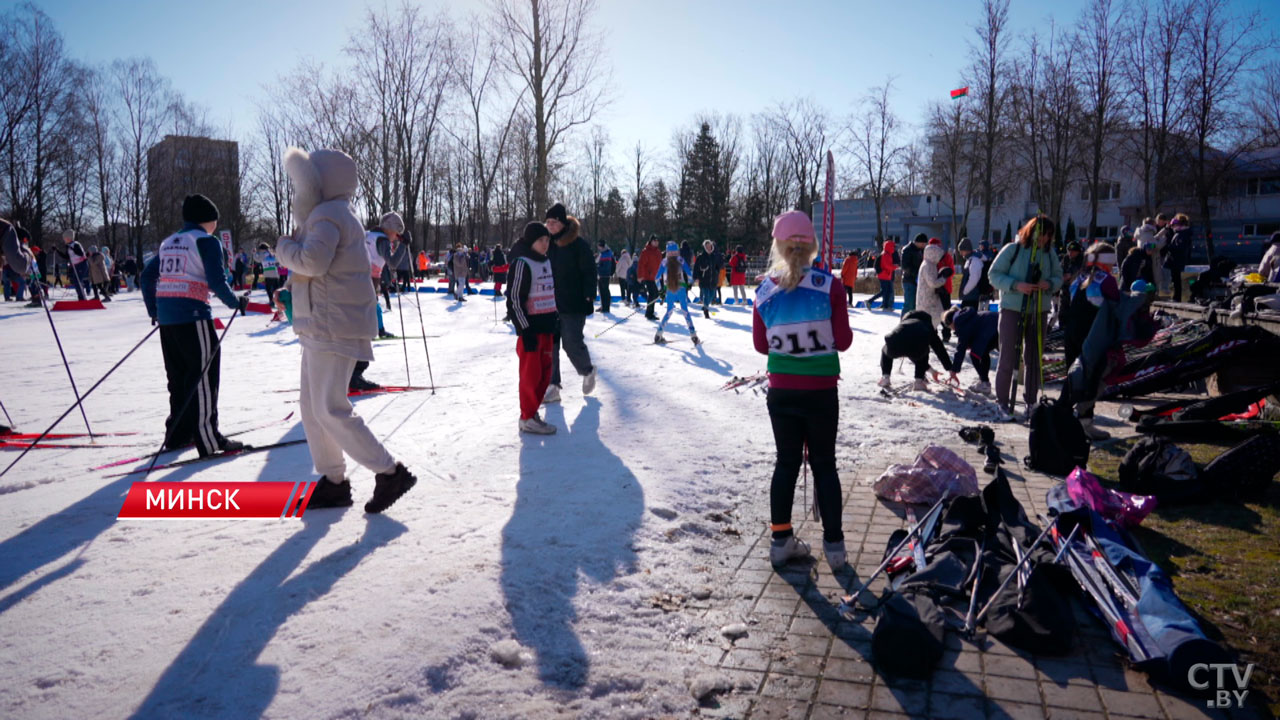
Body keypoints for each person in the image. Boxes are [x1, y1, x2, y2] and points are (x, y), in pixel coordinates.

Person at [276, 147, 417, 514]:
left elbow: (312, 261)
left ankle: (391, 472)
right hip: (322, 320)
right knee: (312, 407)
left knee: (329, 407)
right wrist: (291, 289)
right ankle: (334, 481)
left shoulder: (327, 215)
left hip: (331, 323)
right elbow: (320, 268)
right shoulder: (333, 215)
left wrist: (282, 247)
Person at [753, 210, 853, 569]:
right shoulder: (830, 285)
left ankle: (781, 540)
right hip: (821, 389)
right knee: (825, 464)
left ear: (778, 246)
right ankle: (835, 547)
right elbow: (843, 341)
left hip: (782, 389)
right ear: (811, 245)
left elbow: (762, 347)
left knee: (786, 464)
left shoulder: (764, 290)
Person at [141, 194, 250, 457]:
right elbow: (217, 280)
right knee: (203, 377)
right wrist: (236, 302)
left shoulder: (169, 242)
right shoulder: (206, 241)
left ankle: (179, 434)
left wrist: (154, 311)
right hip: (194, 317)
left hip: (168, 321)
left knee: (178, 379)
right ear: (209, 220)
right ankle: (208, 439)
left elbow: (146, 276)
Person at [988, 215, 1064, 418]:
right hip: (1013, 308)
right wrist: (1016, 285)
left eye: (1048, 236)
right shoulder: (1012, 250)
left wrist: (1050, 283)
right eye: (1042, 234)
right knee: (1007, 356)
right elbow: (994, 274)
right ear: (1032, 231)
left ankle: (1031, 401)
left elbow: (1058, 276)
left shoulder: (1049, 254)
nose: (1045, 239)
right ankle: (1002, 401)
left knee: (1033, 358)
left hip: (1039, 310)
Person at [1061, 242, 1121, 440]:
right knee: (1091, 377)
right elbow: (1116, 304)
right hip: (1092, 335)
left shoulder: (1079, 277)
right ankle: (1083, 422)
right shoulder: (1107, 281)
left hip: (1071, 332)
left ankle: (1064, 416)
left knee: (1072, 374)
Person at [507, 222, 559, 434]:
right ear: (531, 241)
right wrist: (524, 329)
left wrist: (555, 321)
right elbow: (514, 300)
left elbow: (549, 292)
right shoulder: (522, 263)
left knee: (545, 376)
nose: (545, 244)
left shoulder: (546, 261)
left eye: (547, 240)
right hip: (531, 330)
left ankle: (533, 412)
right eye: (540, 240)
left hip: (547, 328)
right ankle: (527, 417)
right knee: (531, 376)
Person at [543, 203, 597, 403]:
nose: (550, 226)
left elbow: (590, 271)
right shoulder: (545, 243)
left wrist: (589, 295)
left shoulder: (577, 244)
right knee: (551, 346)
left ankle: (588, 370)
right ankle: (553, 386)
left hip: (573, 302)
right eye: (547, 222)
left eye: (554, 222)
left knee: (571, 342)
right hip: (549, 303)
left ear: (563, 223)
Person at [877, 310, 956, 392]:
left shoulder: (903, 323)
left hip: (895, 342)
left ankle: (885, 377)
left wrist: (932, 371)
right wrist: (950, 369)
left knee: (885, 350)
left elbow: (907, 348)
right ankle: (919, 381)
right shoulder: (927, 326)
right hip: (917, 348)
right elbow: (939, 349)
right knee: (922, 349)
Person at [943, 306, 998, 395]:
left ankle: (985, 383)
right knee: (983, 352)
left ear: (951, 322)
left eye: (951, 328)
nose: (953, 330)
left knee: (974, 355)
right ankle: (984, 381)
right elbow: (974, 329)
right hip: (998, 323)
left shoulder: (960, 322)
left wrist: (954, 370)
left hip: (990, 328)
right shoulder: (965, 316)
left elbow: (960, 349)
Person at [654, 242, 699, 344]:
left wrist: (660, 290)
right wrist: (690, 284)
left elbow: (656, 278)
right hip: (681, 288)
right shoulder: (681, 260)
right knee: (685, 311)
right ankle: (693, 335)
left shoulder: (664, 262)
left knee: (669, 311)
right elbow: (689, 274)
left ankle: (658, 334)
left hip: (669, 289)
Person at [916, 239, 949, 328]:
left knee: (935, 317)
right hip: (927, 299)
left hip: (928, 297)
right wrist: (943, 278)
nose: (939, 258)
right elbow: (932, 283)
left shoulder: (929, 264)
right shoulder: (928, 266)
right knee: (930, 320)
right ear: (933, 254)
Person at [1164, 213, 1192, 303]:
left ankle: (1177, 297)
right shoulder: (1180, 233)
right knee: (1175, 278)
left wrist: (1169, 247)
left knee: (1176, 279)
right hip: (1176, 259)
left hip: (1177, 259)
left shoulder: (1183, 234)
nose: (1173, 227)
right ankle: (1176, 296)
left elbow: (1180, 247)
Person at [693, 239, 721, 319]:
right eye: (707, 246)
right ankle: (706, 310)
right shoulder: (700, 257)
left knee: (712, 296)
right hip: (704, 279)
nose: (709, 248)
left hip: (713, 280)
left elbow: (718, 267)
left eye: (710, 246)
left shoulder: (714, 256)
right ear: (704, 247)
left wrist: (716, 273)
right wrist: (696, 277)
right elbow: (696, 268)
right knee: (706, 295)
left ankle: (705, 305)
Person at [868, 238, 898, 311]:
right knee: (885, 291)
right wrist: (894, 267)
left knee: (888, 291)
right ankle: (870, 301)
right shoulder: (886, 254)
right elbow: (887, 265)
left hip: (887, 275)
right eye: (892, 246)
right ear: (889, 246)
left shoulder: (887, 253)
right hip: (884, 275)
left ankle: (885, 306)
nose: (894, 248)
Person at [637, 235, 663, 320]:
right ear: (650, 241)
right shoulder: (646, 251)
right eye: (654, 240)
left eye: (657, 240)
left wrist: (661, 275)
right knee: (652, 294)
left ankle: (650, 312)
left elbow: (661, 265)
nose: (656, 242)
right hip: (648, 277)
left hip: (656, 277)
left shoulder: (658, 252)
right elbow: (641, 264)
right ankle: (649, 313)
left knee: (655, 295)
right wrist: (640, 276)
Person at [900, 233, 927, 314]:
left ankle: (912, 323)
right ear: (917, 242)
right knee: (909, 305)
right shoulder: (907, 249)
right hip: (909, 280)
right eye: (923, 244)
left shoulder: (920, 250)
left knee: (915, 306)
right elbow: (905, 266)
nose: (924, 245)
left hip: (916, 281)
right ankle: (904, 323)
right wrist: (916, 274)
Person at [957, 238, 985, 310]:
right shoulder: (969, 260)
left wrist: (965, 291)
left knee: (967, 318)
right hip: (969, 296)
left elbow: (974, 279)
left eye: (961, 251)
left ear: (967, 250)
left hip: (971, 297)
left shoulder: (974, 260)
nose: (960, 253)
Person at [595, 240, 616, 313]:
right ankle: (603, 306)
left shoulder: (606, 253)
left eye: (598, 246)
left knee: (605, 291)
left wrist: (597, 267)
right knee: (601, 291)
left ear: (601, 246)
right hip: (602, 274)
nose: (598, 248)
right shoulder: (603, 253)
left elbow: (605, 266)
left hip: (604, 275)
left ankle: (606, 307)